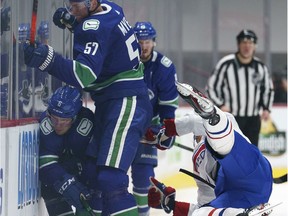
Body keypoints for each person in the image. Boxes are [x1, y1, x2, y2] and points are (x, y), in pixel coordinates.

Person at [23, 0, 152, 215]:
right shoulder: (111, 8)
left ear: (92, 3)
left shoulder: (93, 27)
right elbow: (105, 38)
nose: (71, 8)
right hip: (112, 101)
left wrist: (47, 59)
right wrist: (73, 22)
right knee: (95, 180)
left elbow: (83, 75)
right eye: (69, 3)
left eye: (76, 5)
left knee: (111, 180)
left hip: (125, 101)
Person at [147, 81, 273, 216]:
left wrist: (169, 129)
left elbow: (192, 121)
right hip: (237, 200)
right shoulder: (197, 162)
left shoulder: (217, 128)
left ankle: (212, 116)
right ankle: (241, 214)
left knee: (225, 146)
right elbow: (207, 207)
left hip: (249, 172)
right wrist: (172, 204)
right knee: (201, 213)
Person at [132, 21, 178, 215]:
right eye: (139, 41)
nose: (144, 45)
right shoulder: (121, 62)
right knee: (109, 179)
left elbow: (168, 107)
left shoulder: (164, 67)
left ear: (154, 42)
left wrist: (167, 131)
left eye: (148, 41)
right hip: (119, 126)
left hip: (148, 129)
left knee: (144, 179)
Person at [206, 29, 274, 147]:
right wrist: (220, 105)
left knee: (252, 152)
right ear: (238, 44)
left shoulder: (260, 67)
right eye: (244, 42)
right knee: (230, 150)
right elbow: (211, 87)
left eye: (250, 43)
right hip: (231, 117)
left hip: (253, 119)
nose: (247, 46)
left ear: (255, 46)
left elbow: (268, 89)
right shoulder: (226, 64)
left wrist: (266, 108)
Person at [39, 85, 96, 216]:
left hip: (84, 170)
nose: (58, 125)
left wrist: (88, 183)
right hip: (64, 170)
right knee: (48, 187)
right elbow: (47, 165)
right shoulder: (46, 124)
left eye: (64, 120)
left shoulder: (87, 123)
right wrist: (66, 183)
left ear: (75, 117)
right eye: (54, 118)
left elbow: (95, 161)